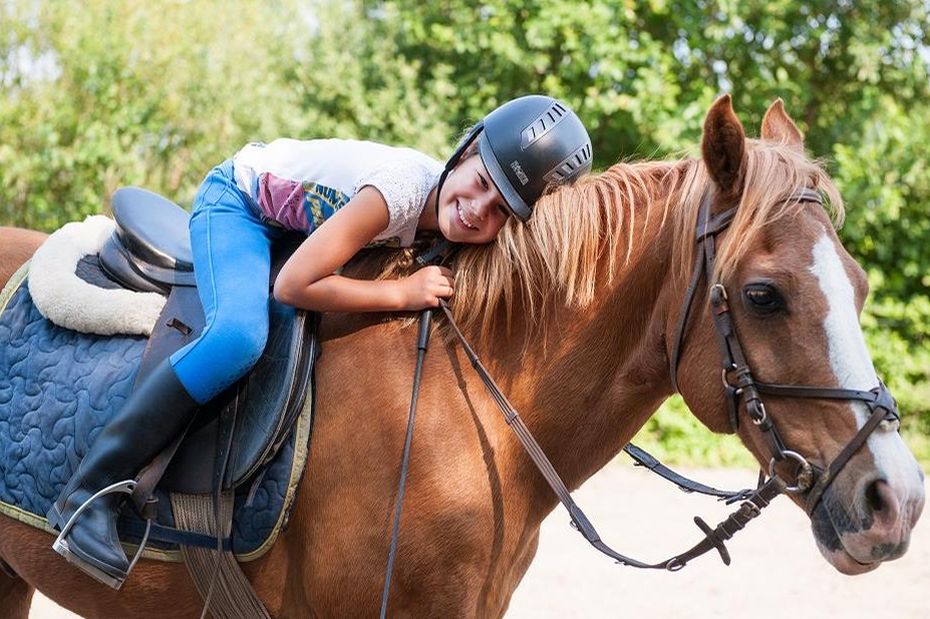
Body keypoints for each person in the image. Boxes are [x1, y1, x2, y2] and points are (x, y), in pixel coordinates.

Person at [46, 95, 592, 588]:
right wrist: (402, 294)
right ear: (466, 151)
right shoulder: (399, 192)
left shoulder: (449, 213)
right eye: (482, 183)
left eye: (500, 211)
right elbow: (293, 286)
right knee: (237, 338)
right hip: (240, 204)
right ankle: (90, 490)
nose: (478, 209)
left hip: (295, 225)